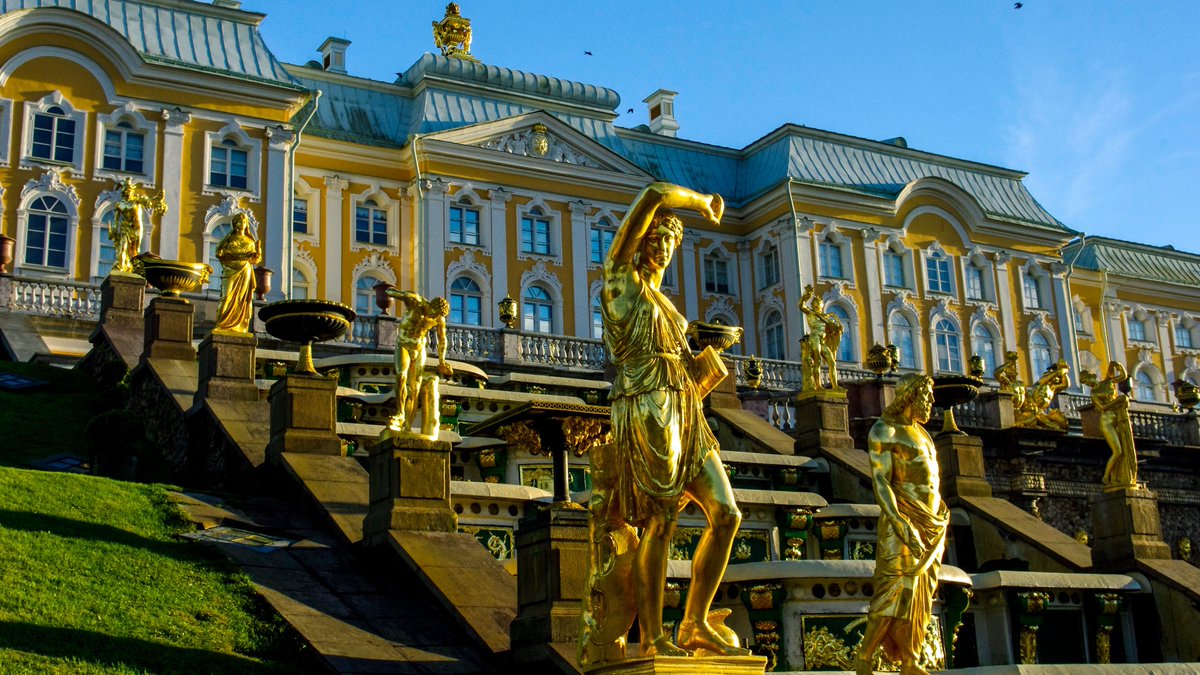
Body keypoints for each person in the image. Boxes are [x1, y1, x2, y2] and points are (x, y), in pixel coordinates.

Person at [587, 181, 749, 659]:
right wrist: (703, 203)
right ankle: (652, 635)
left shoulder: (669, 308)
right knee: (661, 521)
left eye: (670, 242)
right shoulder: (620, 281)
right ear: (638, 244)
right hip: (646, 408)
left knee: (727, 513)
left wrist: (703, 369)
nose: (662, 248)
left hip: (686, 409)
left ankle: (694, 622)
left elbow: (677, 369)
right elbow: (654, 192)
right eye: (655, 239)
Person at [855, 373, 949, 675]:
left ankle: (911, 659)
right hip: (903, 520)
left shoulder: (922, 433)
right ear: (912, 395)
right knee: (895, 589)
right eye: (928, 395)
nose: (932, 401)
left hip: (932, 523)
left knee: (921, 593)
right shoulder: (885, 430)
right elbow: (881, 483)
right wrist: (899, 522)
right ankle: (865, 657)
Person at [385, 289, 452, 440]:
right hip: (403, 344)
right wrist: (394, 293)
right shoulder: (416, 303)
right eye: (433, 313)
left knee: (415, 388)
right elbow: (396, 293)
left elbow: (442, 339)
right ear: (430, 306)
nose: (434, 317)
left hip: (419, 348)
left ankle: (407, 425)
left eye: (437, 316)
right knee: (401, 375)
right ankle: (400, 413)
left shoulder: (439, 318)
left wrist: (442, 360)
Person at [1082, 362, 1137, 490]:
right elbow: (1101, 408)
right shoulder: (1094, 394)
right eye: (1084, 382)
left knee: (1126, 448)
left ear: (1092, 376)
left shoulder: (1107, 382)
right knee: (1118, 450)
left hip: (1118, 418)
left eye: (1086, 379)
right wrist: (1117, 401)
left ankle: (1121, 476)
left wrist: (1116, 364)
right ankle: (1106, 477)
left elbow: (1122, 376)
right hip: (1106, 422)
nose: (1087, 382)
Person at [213, 213, 260, 333]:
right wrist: (225, 254)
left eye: (244, 222)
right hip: (230, 270)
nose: (242, 224)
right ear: (235, 224)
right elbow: (219, 253)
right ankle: (221, 324)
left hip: (245, 270)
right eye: (239, 221)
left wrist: (258, 253)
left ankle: (238, 326)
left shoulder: (250, 242)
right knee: (226, 297)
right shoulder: (229, 239)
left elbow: (254, 260)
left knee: (241, 299)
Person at [108, 178, 166, 274]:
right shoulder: (120, 205)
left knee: (135, 250)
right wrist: (113, 230)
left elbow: (149, 202)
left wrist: (158, 198)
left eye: (129, 190)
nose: (127, 192)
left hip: (137, 228)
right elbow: (116, 220)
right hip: (124, 229)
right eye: (126, 190)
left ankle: (130, 266)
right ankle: (121, 266)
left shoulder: (136, 201)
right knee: (123, 247)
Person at [799, 284, 843, 391]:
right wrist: (806, 296)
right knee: (817, 361)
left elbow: (832, 329)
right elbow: (801, 306)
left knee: (832, 362)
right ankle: (818, 385)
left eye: (818, 304)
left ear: (822, 305)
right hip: (814, 338)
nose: (816, 305)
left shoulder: (826, 317)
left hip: (822, 341)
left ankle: (835, 385)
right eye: (814, 304)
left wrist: (838, 328)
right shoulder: (811, 313)